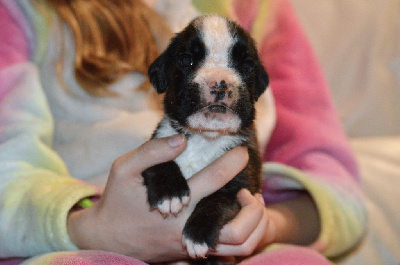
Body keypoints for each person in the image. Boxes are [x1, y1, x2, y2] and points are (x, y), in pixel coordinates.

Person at [0, 0, 367, 264]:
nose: (221, 84)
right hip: (77, 237)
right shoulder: (20, 12)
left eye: (240, 67)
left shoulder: (257, 9)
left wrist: (267, 227)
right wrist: (88, 227)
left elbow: (337, 187)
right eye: (193, 61)